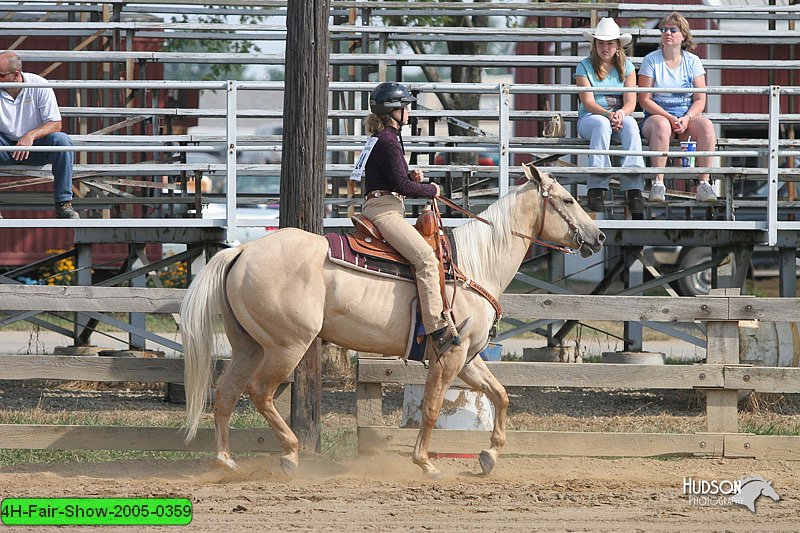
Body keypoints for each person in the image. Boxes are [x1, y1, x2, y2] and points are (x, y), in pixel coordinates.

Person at [361, 81, 459, 355]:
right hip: (385, 211)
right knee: (427, 260)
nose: (410, 112)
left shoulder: (383, 138)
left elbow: (397, 180)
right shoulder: (389, 141)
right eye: (406, 107)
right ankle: (436, 329)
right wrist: (431, 188)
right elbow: (403, 188)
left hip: (381, 205)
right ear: (394, 111)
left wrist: (410, 177)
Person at [638, 11, 717, 203]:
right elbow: (644, 99)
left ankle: (704, 183)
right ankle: (658, 182)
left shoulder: (692, 61)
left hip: (684, 117)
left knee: (707, 126)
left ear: (683, 35)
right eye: (664, 29)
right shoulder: (651, 60)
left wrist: (687, 118)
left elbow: (700, 99)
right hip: (656, 116)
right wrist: (669, 117)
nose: (668, 33)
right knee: (662, 126)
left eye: (673, 30)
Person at [577, 17, 646, 219]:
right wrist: (609, 115)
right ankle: (597, 185)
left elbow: (631, 102)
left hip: (618, 117)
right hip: (591, 119)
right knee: (601, 124)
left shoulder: (628, 67)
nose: (605, 47)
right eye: (601, 43)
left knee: (632, 124)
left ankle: (634, 187)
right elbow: (588, 102)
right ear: (595, 44)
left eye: (609, 43)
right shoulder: (584, 66)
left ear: (617, 45)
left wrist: (621, 114)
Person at [0, 50, 79, 219]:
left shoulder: (39, 85)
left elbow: (56, 124)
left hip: (36, 147)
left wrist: (30, 136)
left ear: (16, 75)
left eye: (0, 75)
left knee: (62, 141)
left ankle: (63, 203)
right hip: (4, 146)